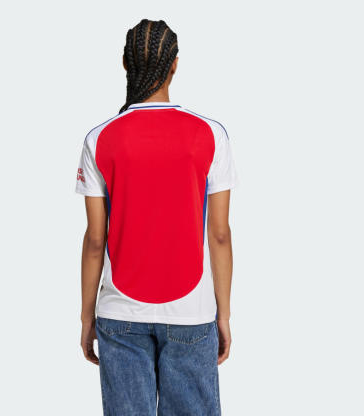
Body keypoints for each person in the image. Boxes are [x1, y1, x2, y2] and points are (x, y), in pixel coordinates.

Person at [76, 19, 238, 416]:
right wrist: (223, 313)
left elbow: (95, 239)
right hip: (192, 312)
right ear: (175, 64)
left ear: (125, 63)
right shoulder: (210, 134)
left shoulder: (99, 138)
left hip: (119, 312)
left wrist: (85, 316)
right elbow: (219, 235)